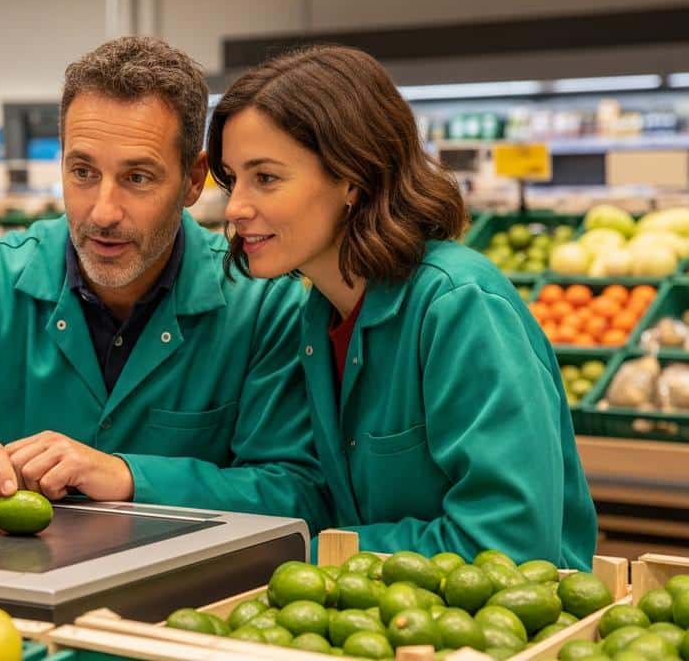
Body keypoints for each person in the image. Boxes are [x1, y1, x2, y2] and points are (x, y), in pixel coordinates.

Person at [0, 37, 329, 528]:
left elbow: (297, 489)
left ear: (194, 180)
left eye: (137, 178)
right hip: (22, 576)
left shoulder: (263, 303)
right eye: (83, 172)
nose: (103, 213)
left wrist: (129, 476)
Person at [207, 44, 596, 568]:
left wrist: (307, 556)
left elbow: (511, 542)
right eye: (231, 178)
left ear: (351, 176)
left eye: (266, 178)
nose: (235, 207)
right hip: (394, 609)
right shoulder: (319, 315)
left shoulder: (459, 306)